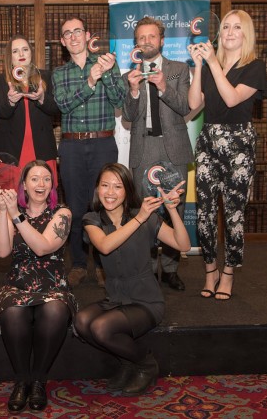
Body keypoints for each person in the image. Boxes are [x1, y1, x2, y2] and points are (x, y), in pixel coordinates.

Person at [74, 163, 190, 396]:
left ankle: (146, 365)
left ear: (127, 190)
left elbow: (183, 245)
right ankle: (129, 362)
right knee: (81, 322)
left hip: (146, 300)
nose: (110, 192)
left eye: (117, 186)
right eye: (105, 185)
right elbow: (105, 246)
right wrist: (140, 218)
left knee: (100, 327)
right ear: (97, 189)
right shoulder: (92, 219)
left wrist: (172, 209)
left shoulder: (145, 217)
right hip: (116, 298)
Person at [187, 10, 267, 301]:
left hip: (238, 143)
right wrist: (199, 66)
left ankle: (229, 272)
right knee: (205, 211)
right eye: (226, 27)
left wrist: (211, 63)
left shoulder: (254, 66)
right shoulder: (210, 65)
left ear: (246, 33)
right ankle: (210, 271)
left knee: (233, 214)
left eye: (237, 27)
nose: (230, 32)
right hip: (208, 139)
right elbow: (194, 105)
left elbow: (232, 99)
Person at [0, 160, 76, 413]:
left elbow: (42, 247)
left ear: (52, 186)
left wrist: (15, 214)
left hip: (53, 283)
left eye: (46, 179)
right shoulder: (12, 211)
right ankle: (22, 380)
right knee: (13, 312)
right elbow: (2, 251)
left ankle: (38, 380)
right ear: (24, 185)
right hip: (17, 283)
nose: (41, 184)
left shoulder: (63, 214)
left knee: (55, 311)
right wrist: (2, 212)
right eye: (35, 178)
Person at [52, 15, 126, 288]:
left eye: (77, 31)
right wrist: (91, 82)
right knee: (75, 206)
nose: (73, 37)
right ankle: (79, 264)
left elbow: (120, 100)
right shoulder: (60, 74)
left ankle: (104, 266)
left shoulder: (106, 64)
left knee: (106, 205)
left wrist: (105, 74)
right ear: (62, 41)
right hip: (71, 145)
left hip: (103, 143)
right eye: (67, 33)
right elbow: (63, 106)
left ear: (86, 35)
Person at [122, 16, 192, 291]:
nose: (147, 41)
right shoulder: (130, 74)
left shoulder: (178, 70)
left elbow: (185, 106)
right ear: (136, 42)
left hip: (172, 146)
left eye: (152, 36)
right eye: (141, 37)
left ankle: (171, 269)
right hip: (144, 148)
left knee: (175, 207)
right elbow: (127, 116)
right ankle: (148, 270)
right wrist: (134, 90)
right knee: (144, 211)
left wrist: (163, 86)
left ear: (162, 41)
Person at [0, 35, 60, 182]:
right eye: (15, 51)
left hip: (42, 148)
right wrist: (11, 102)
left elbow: (57, 109)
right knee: (10, 199)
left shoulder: (46, 77)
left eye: (25, 49)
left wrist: (42, 99)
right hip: (10, 150)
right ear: (10, 56)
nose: (21, 54)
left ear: (31, 53)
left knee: (40, 198)